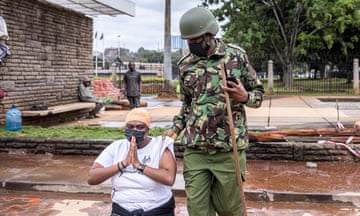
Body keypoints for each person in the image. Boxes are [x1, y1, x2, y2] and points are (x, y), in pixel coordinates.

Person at [163, 7, 264, 216]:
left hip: (229, 149)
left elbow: (258, 95)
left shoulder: (236, 57)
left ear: (209, 35)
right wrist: (175, 129)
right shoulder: (185, 66)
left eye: (196, 40)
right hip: (196, 148)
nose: (191, 45)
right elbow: (188, 104)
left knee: (229, 208)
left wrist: (245, 97)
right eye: (188, 41)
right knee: (198, 210)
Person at [88, 108, 177, 216]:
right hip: (122, 210)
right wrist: (123, 164)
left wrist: (139, 165)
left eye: (140, 127)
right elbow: (92, 178)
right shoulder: (117, 147)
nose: (134, 130)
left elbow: (169, 178)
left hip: (156, 210)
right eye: (130, 127)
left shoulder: (160, 146)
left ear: (148, 129)